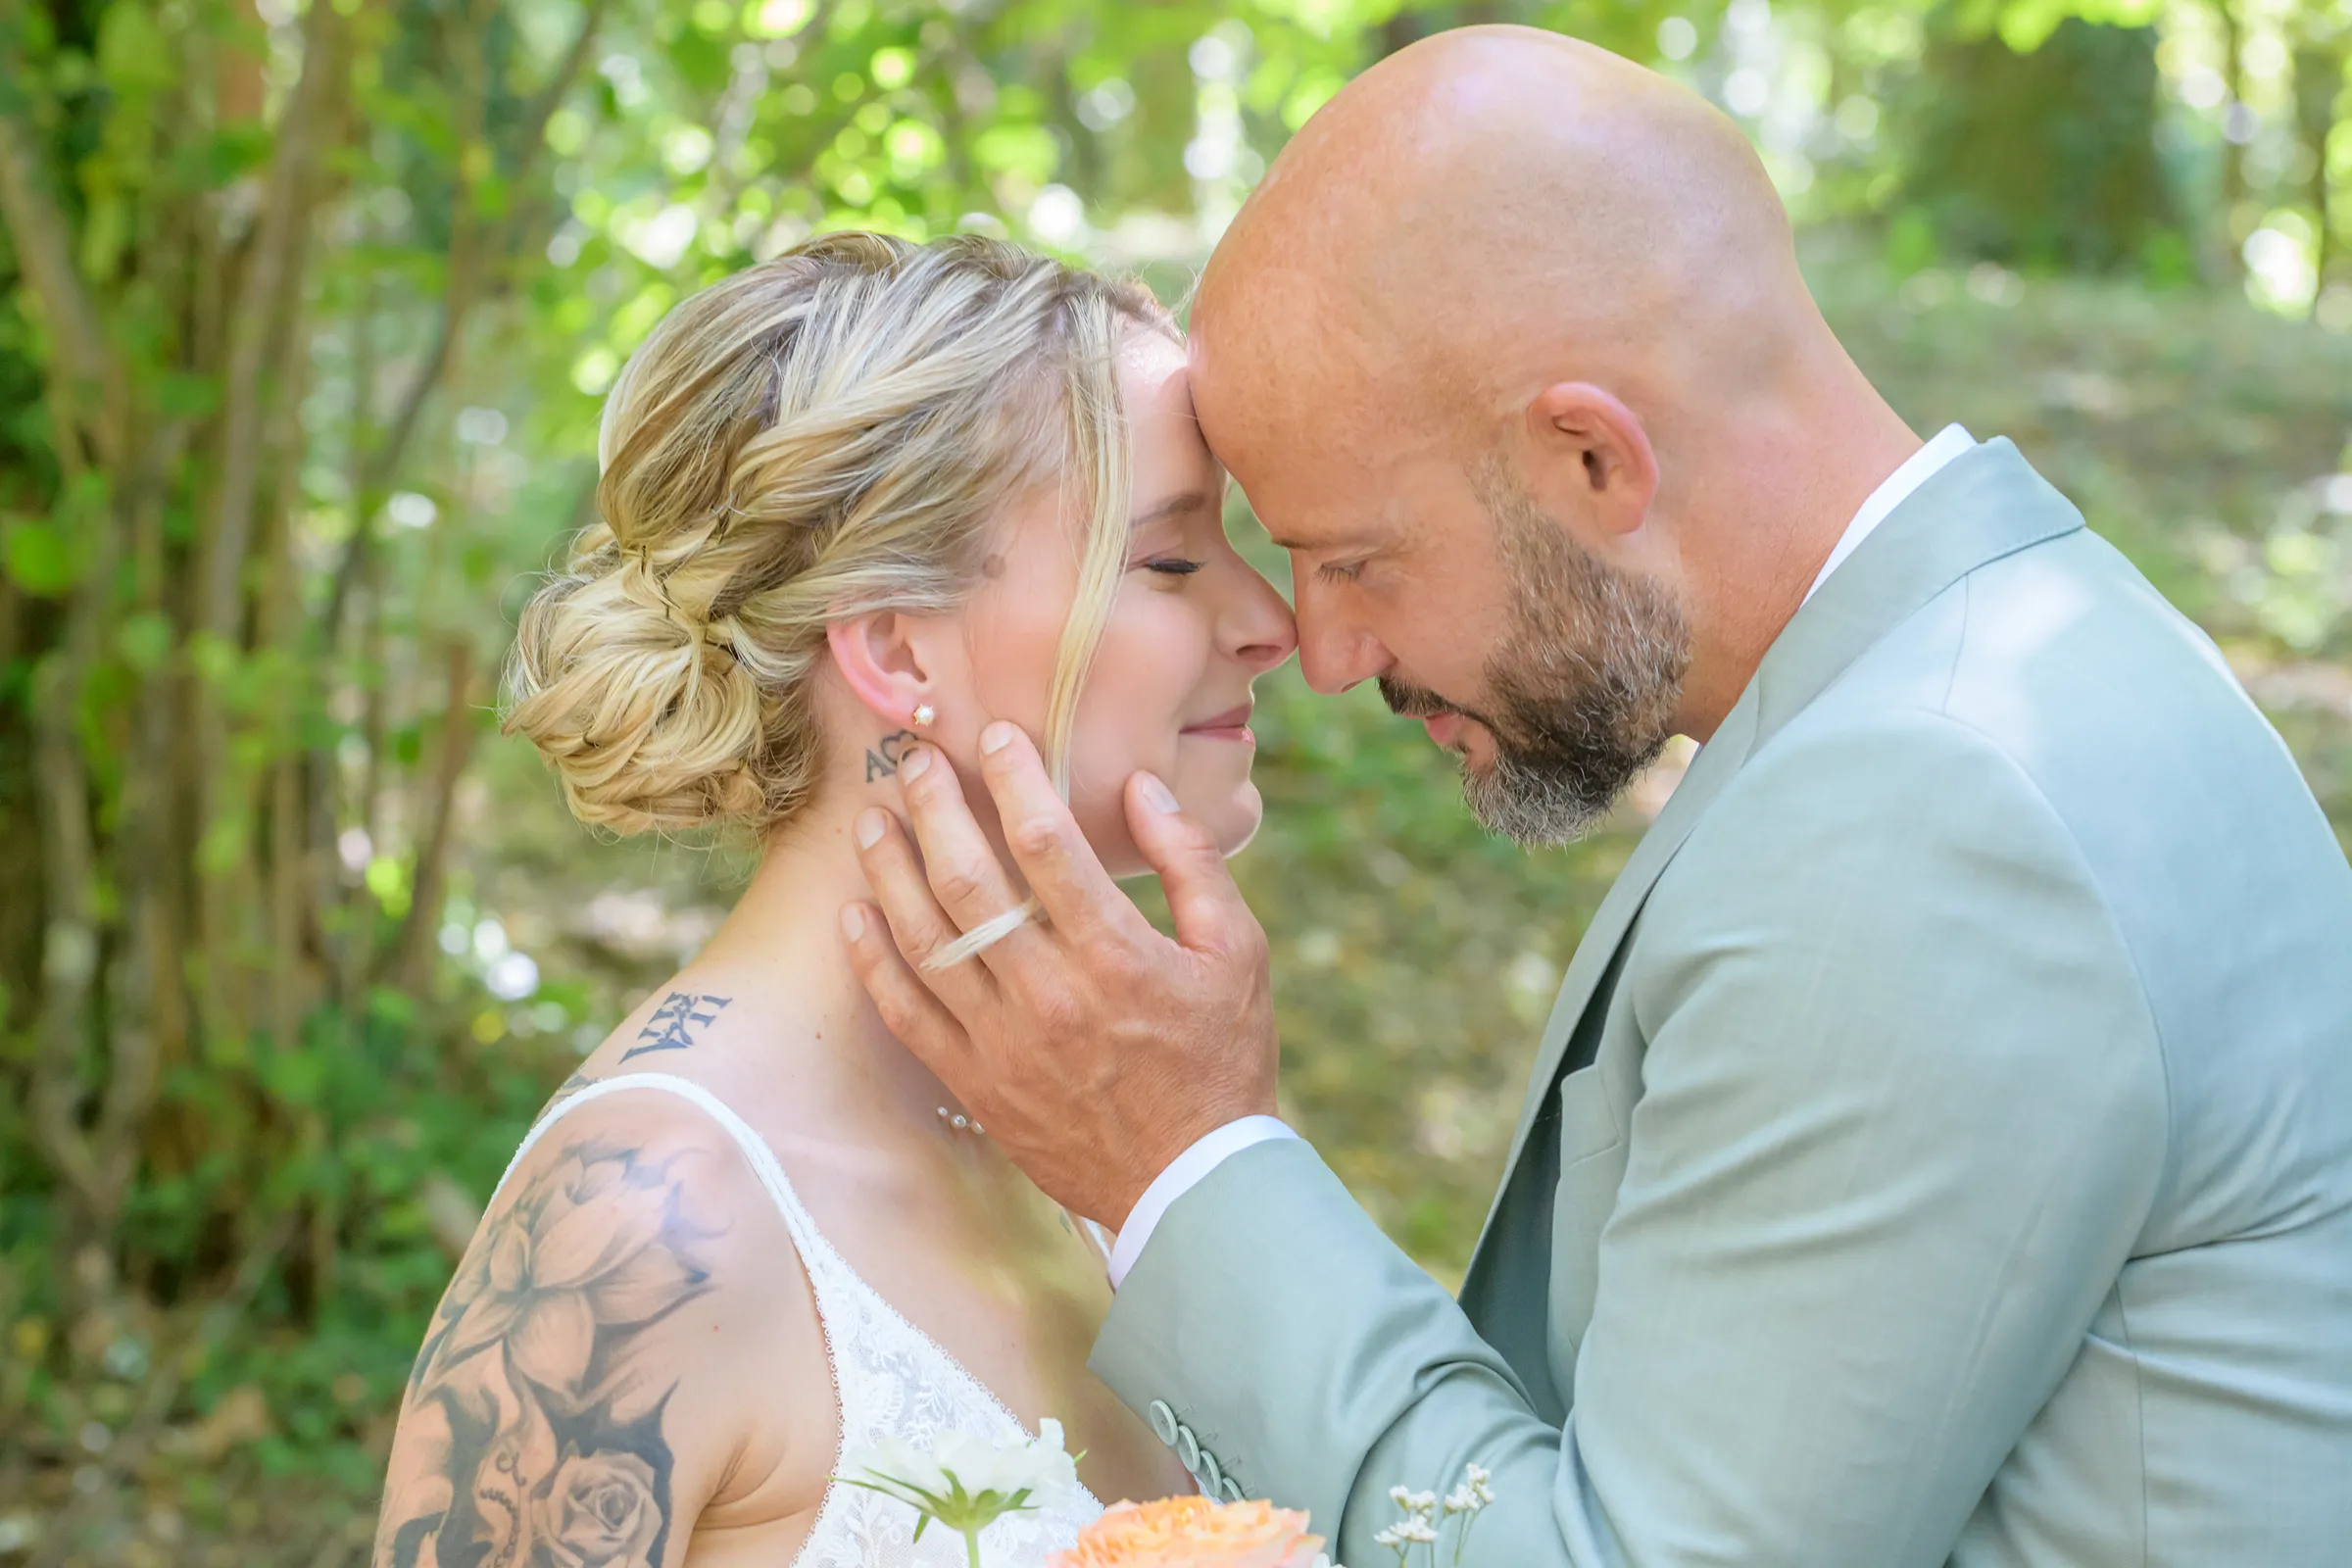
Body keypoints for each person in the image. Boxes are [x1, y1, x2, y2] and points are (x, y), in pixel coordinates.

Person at [840, 28, 2352, 1568]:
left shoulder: (1928, 815)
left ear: (1589, 459)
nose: (1326, 645)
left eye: (1355, 560)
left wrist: (1180, 1164)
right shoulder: (2028, 663)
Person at [369, 232, 1295, 1567]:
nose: (1272, 617)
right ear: (893, 647)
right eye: (1167, 560)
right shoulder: (641, 1230)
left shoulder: (1122, 1127)